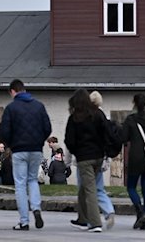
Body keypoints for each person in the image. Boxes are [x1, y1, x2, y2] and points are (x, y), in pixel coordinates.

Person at [1, 79, 52, 231]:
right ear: (24, 89)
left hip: (19, 150)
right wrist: (39, 141)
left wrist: (11, 143)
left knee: (20, 185)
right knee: (33, 180)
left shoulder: (11, 108)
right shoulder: (39, 106)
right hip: (36, 150)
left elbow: (4, 131)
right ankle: (36, 208)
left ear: (12, 91)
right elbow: (47, 128)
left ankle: (24, 221)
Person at [64, 88, 106, 232]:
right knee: (84, 187)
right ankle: (82, 218)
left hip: (84, 158)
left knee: (89, 189)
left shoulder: (74, 118)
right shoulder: (97, 114)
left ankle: (95, 222)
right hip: (98, 156)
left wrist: (77, 152)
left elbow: (69, 140)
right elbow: (106, 133)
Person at [122, 92, 145, 230]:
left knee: (131, 187)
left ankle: (140, 211)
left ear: (134, 103)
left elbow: (124, 138)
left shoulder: (131, 119)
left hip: (136, 157)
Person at [88, 91, 117, 229]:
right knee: (99, 187)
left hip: (87, 156)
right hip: (100, 156)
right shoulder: (103, 117)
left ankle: (91, 220)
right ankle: (109, 211)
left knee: (86, 189)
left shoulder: (85, 116)